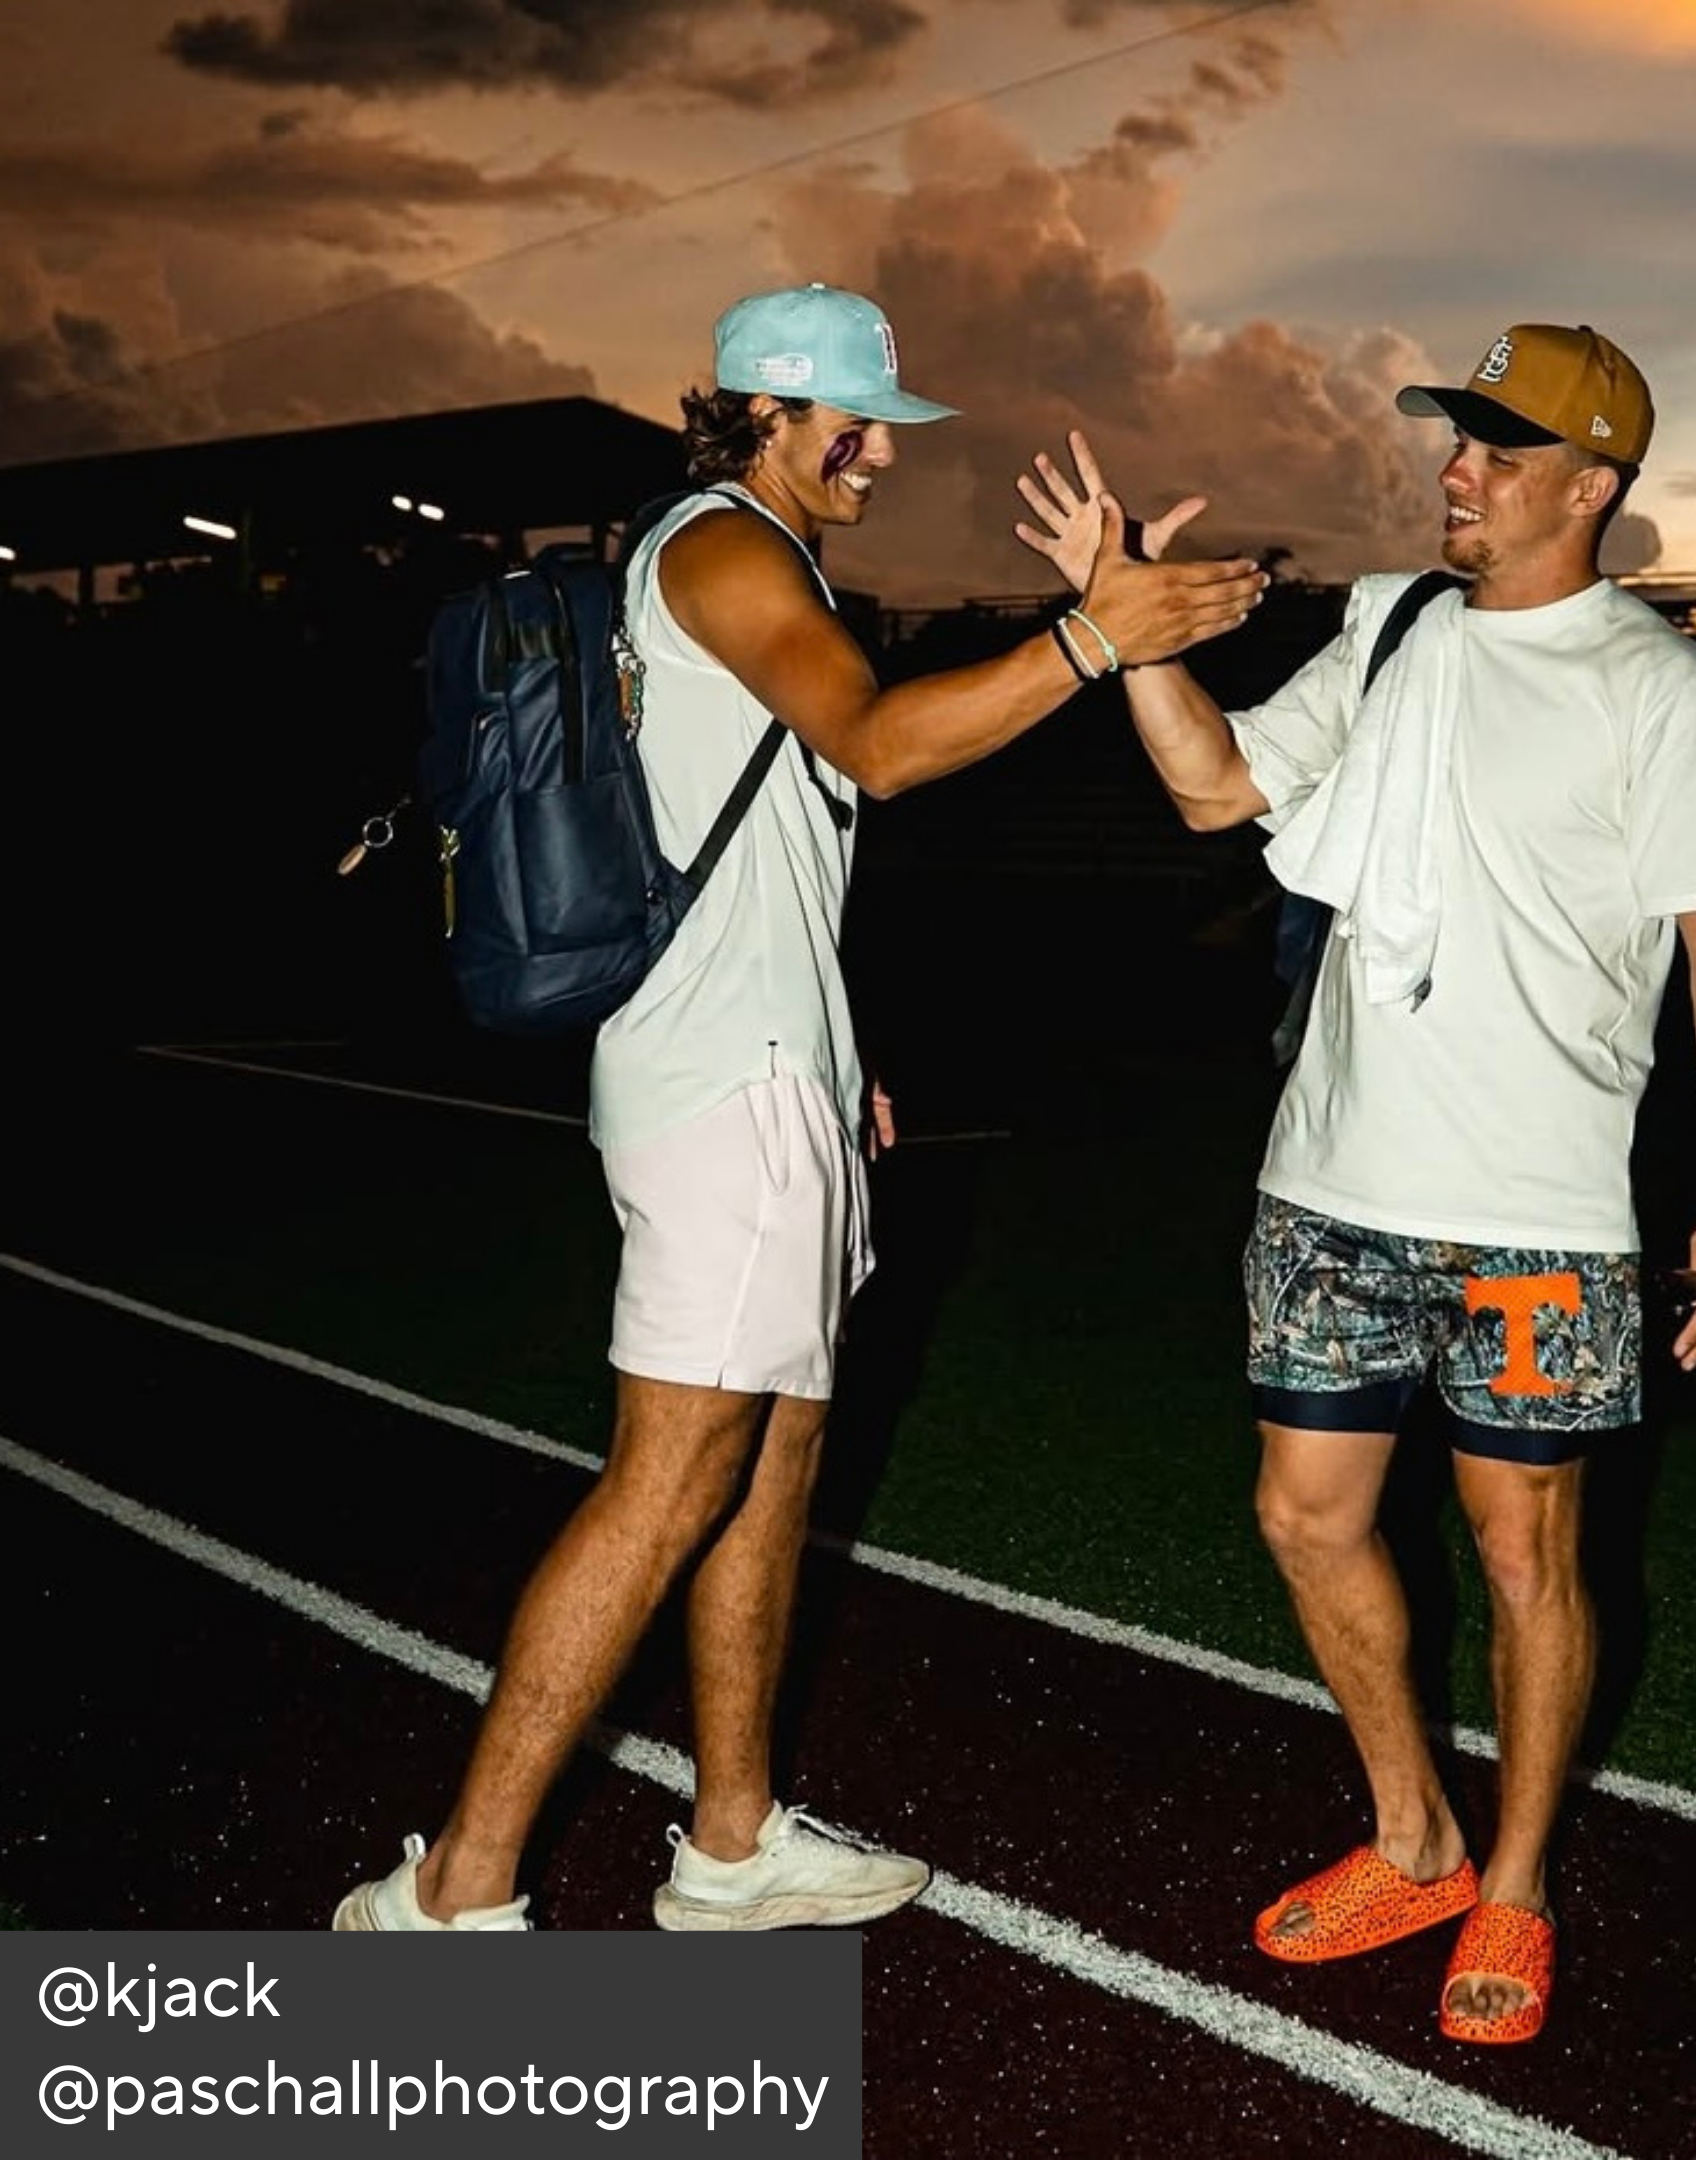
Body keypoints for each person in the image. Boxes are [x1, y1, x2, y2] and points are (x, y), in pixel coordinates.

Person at [335, 281, 1267, 1933]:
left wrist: (846, 1058)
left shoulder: (753, 555)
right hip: (724, 1094)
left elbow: (772, 843)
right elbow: (885, 746)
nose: (879, 458)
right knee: (673, 1476)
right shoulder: (722, 549)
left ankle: (735, 1842)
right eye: (857, 426)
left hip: (781, 1076)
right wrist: (1093, 636)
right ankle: (453, 1895)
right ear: (766, 407)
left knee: (773, 1464)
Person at [1014, 323, 1696, 2041]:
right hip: (1333, 1192)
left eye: (1500, 454)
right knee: (1307, 1517)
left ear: (1591, 490)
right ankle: (1413, 1833)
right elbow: (1220, 789)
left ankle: (1512, 1889)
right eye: (1457, 441)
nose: (1457, 470)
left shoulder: (1664, 693)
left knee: (1526, 1558)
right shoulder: (1393, 626)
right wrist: (1131, 634)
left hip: (1537, 1216)